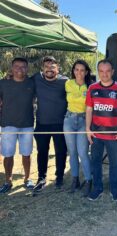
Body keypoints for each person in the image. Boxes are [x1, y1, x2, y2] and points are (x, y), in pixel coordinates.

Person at [85, 59, 117, 201]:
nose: (104, 74)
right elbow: (89, 109)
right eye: (101, 71)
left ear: (113, 72)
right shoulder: (92, 88)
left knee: (115, 163)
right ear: (98, 72)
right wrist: (87, 129)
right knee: (96, 162)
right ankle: (97, 188)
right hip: (96, 134)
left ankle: (114, 189)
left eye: (107, 71)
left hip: (114, 135)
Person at [33, 56, 68, 191]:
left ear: (57, 69)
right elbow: (22, 81)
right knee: (42, 151)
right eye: (47, 67)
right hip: (42, 123)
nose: (49, 69)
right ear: (43, 68)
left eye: (52, 67)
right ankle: (41, 178)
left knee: (61, 151)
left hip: (60, 123)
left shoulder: (65, 81)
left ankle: (59, 177)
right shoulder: (36, 79)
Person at [0, 57, 35, 193]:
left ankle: (27, 179)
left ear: (27, 69)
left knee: (26, 154)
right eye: (16, 66)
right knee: (8, 155)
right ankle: (8, 181)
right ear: (12, 68)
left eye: (23, 67)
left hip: (27, 124)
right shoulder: (3, 83)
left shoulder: (32, 83)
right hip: (8, 124)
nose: (19, 69)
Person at [63, 60, 92, 196]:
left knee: (83, 152)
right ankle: (75, 180)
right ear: (73, 70)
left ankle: (88, 180)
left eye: (82, 70)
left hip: (83, 120)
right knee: (72, 152)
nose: (79, 73)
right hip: (69, 120)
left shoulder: (91, 86)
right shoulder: (68, 83)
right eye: (76, 69)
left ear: (86, 72)